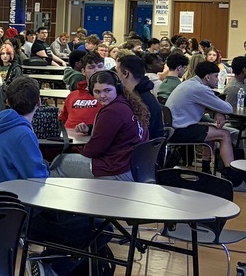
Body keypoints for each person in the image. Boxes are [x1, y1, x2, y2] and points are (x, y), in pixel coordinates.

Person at [0, 76, 111, 276]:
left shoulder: (2, 127)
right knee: (103, 228)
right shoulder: (22, 133)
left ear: (8, 101)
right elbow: (38, 178)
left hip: (10, 211)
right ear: (39, 103)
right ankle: (51, 266)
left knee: (88, 224)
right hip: (28, 214)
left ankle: (52, 265)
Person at [51, 70, 149, 181]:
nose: (102, 96)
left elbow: (93, 150)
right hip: (133, 168)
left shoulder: (113, 111)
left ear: (117, 88)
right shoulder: (127, 103)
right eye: (97, 91)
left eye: (107, 90)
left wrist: (75, 150)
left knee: (58, 163)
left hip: (118, 170)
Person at [165, 59, 245, 188]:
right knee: (224, 134)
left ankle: (206, 168)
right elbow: (228, 108)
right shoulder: (200, 89)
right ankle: (231, 172)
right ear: (207, 77)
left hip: (173, 128)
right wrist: (220, 111)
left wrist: (218, 112)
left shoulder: (189, 83)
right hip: (181, 131)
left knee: (212, 129)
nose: (217, 79)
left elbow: (213, 106)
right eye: (216, 76)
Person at [115, 53, 164, 139]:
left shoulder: (136, 99)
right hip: (151, 148)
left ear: (125, 73)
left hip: (140, 149)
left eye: (117, 72)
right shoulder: (147, 94)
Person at [59, 52, 103, 133]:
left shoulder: (108, 95)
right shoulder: (72, 95)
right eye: (91, 67)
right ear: (83, 71)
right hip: (69, 140)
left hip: (92, 139)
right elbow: (61, 121)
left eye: (100, 66)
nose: (97, 70)